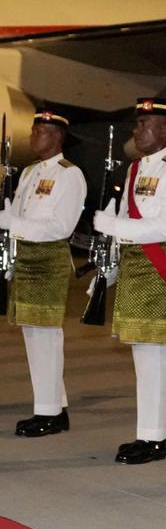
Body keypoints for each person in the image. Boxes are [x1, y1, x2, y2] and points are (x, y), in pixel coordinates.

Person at [93, 98, 166, 464]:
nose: (136, 131)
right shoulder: (135, 168)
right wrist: (107, 272)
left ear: (165, 130)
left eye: (143, 124)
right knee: (148, 355)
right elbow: (123, 221)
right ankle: (162, 435)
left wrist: (114, 226)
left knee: (152, 356)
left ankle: (151, 439)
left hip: (157, 266)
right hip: (135, 266)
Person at [0, 109, 86, 436]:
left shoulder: (69, 174)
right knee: (34, 338)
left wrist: (13, 224)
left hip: (48, 260)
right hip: (26, 258)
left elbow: (60, 227)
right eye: (34, 130)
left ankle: (48, 414)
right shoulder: (29, 173)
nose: (34, 136)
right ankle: (54, 406)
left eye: (41, 131)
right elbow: (18, 214)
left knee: (46, 339)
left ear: (58, 136)